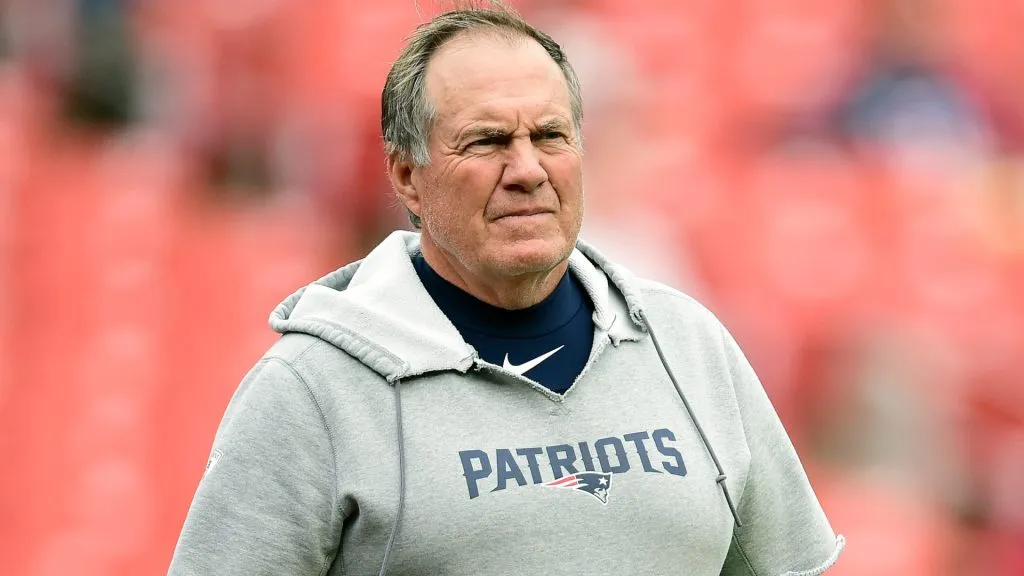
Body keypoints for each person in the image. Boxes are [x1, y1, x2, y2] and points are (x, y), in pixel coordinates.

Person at [168, 4, 844, 575]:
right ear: (407, 176)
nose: (527, 169)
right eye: (487, 141)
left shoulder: (689, 347)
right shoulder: (312, 391)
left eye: (550, 135)